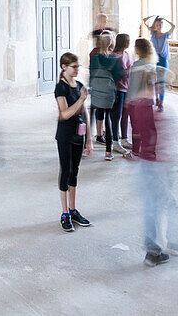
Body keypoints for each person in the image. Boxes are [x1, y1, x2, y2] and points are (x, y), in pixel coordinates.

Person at [127, 38, 178, 266]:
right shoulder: (153, 109)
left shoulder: (138, 105)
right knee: (169, 204)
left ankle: (155, 249)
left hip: (148, 163)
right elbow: (158, 137)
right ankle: (170, 244)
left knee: (153, 206)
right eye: (156, 84)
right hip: (160, 164)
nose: (159, 87)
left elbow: (138, 138)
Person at [55, 52, 93, 232]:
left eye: (78, 66)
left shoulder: (79, 85)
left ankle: (73, 209)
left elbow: (83, 113)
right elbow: (64, 114)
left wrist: (89, 140)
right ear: (64, 67)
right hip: (64, 135)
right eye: (74, 67)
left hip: (78, 135)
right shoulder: (60, 88)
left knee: (75, 173)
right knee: (66, 171)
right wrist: (81, 99)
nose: (78, 69)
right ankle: (64, 213)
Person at [89, 32, 124, 161]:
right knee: (108, 121)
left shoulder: (94, 57)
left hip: (96, 91)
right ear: (111, 44)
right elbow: (118, 76)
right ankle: (108, 151)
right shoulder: (115, 60)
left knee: (91, 119)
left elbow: (91, 73)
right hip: (108, 94)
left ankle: (85, 146)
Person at [144, 15, 174, 107]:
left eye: (160, 25)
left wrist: (164, 19)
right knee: (154, 80)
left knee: (162, 81)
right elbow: (144, 20)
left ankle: (161, 101)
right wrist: (153, 17)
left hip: (163, 59)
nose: (158, 26)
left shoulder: (165, 35)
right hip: (154, 59)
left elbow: (173, 26)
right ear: (154, 25)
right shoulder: (152, 33)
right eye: (157, 25)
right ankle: (156, 98)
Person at [112, 33, 132, 152]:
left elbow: (129, 67)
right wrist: (127, 71)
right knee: (117, 115)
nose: (129, 43)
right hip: (118, 89)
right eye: (128, 41)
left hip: (126, 88)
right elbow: (116, 74)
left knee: (125, 114)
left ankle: (124, 138)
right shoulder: (114, 56)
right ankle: (115, 141)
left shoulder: (126, 54)